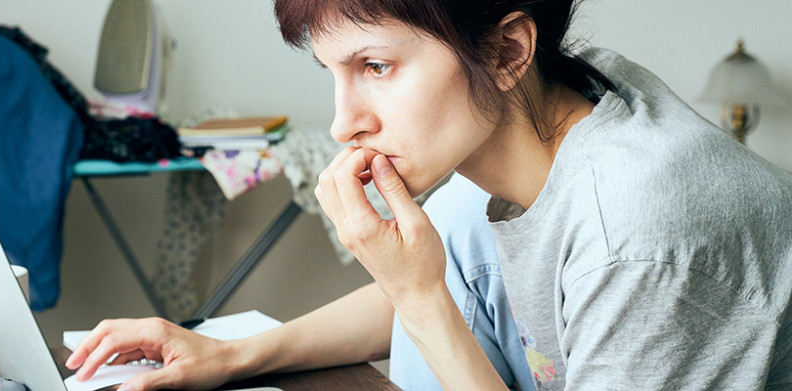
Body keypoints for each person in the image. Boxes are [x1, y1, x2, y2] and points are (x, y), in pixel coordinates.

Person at [66, 0, 792, 389]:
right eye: (335, 72)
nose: (345, 121)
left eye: (377, 65)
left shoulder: (635, 229)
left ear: (507, 51)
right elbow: (452, 275)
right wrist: (226, 354)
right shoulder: (549, 103)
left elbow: (427, 293)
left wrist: (421, 298)